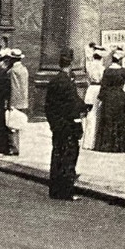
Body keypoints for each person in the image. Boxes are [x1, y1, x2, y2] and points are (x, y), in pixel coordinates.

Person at [45, 48, 88, 200]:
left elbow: (48, 106)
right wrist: (79, 123)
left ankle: (55, 190)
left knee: (57, 155)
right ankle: (66, 191)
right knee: (69, 156)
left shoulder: (53, 81)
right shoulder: (68, 83)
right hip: (68, 126)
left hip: (57, 126)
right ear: (70, 64)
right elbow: (73, 107)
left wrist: (53, 124)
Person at [93, 47, 125, 153]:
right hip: (119, 97)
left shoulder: (107, 71)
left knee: (108, 120)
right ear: (119, 60)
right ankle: (119, 145)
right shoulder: (123, 71)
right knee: (119, 120)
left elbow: (103, 86)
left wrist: (101, 98)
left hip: (108, 98)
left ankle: (106, 145)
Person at [4, 48, 29, 155]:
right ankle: (16, 146)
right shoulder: (24, 70)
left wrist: (8, 103)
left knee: (11, 126)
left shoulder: (11, 71)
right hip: (23, 101)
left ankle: (13, 147)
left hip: (13, 102)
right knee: (18, 125)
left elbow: (10, 87)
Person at [81, 42, 106, 150]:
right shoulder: (102, 68)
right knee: (97, 115)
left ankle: (87, 142)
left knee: (90, 115)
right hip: (98, 89)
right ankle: (95, 141)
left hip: (90, 89)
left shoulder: (89, 66)